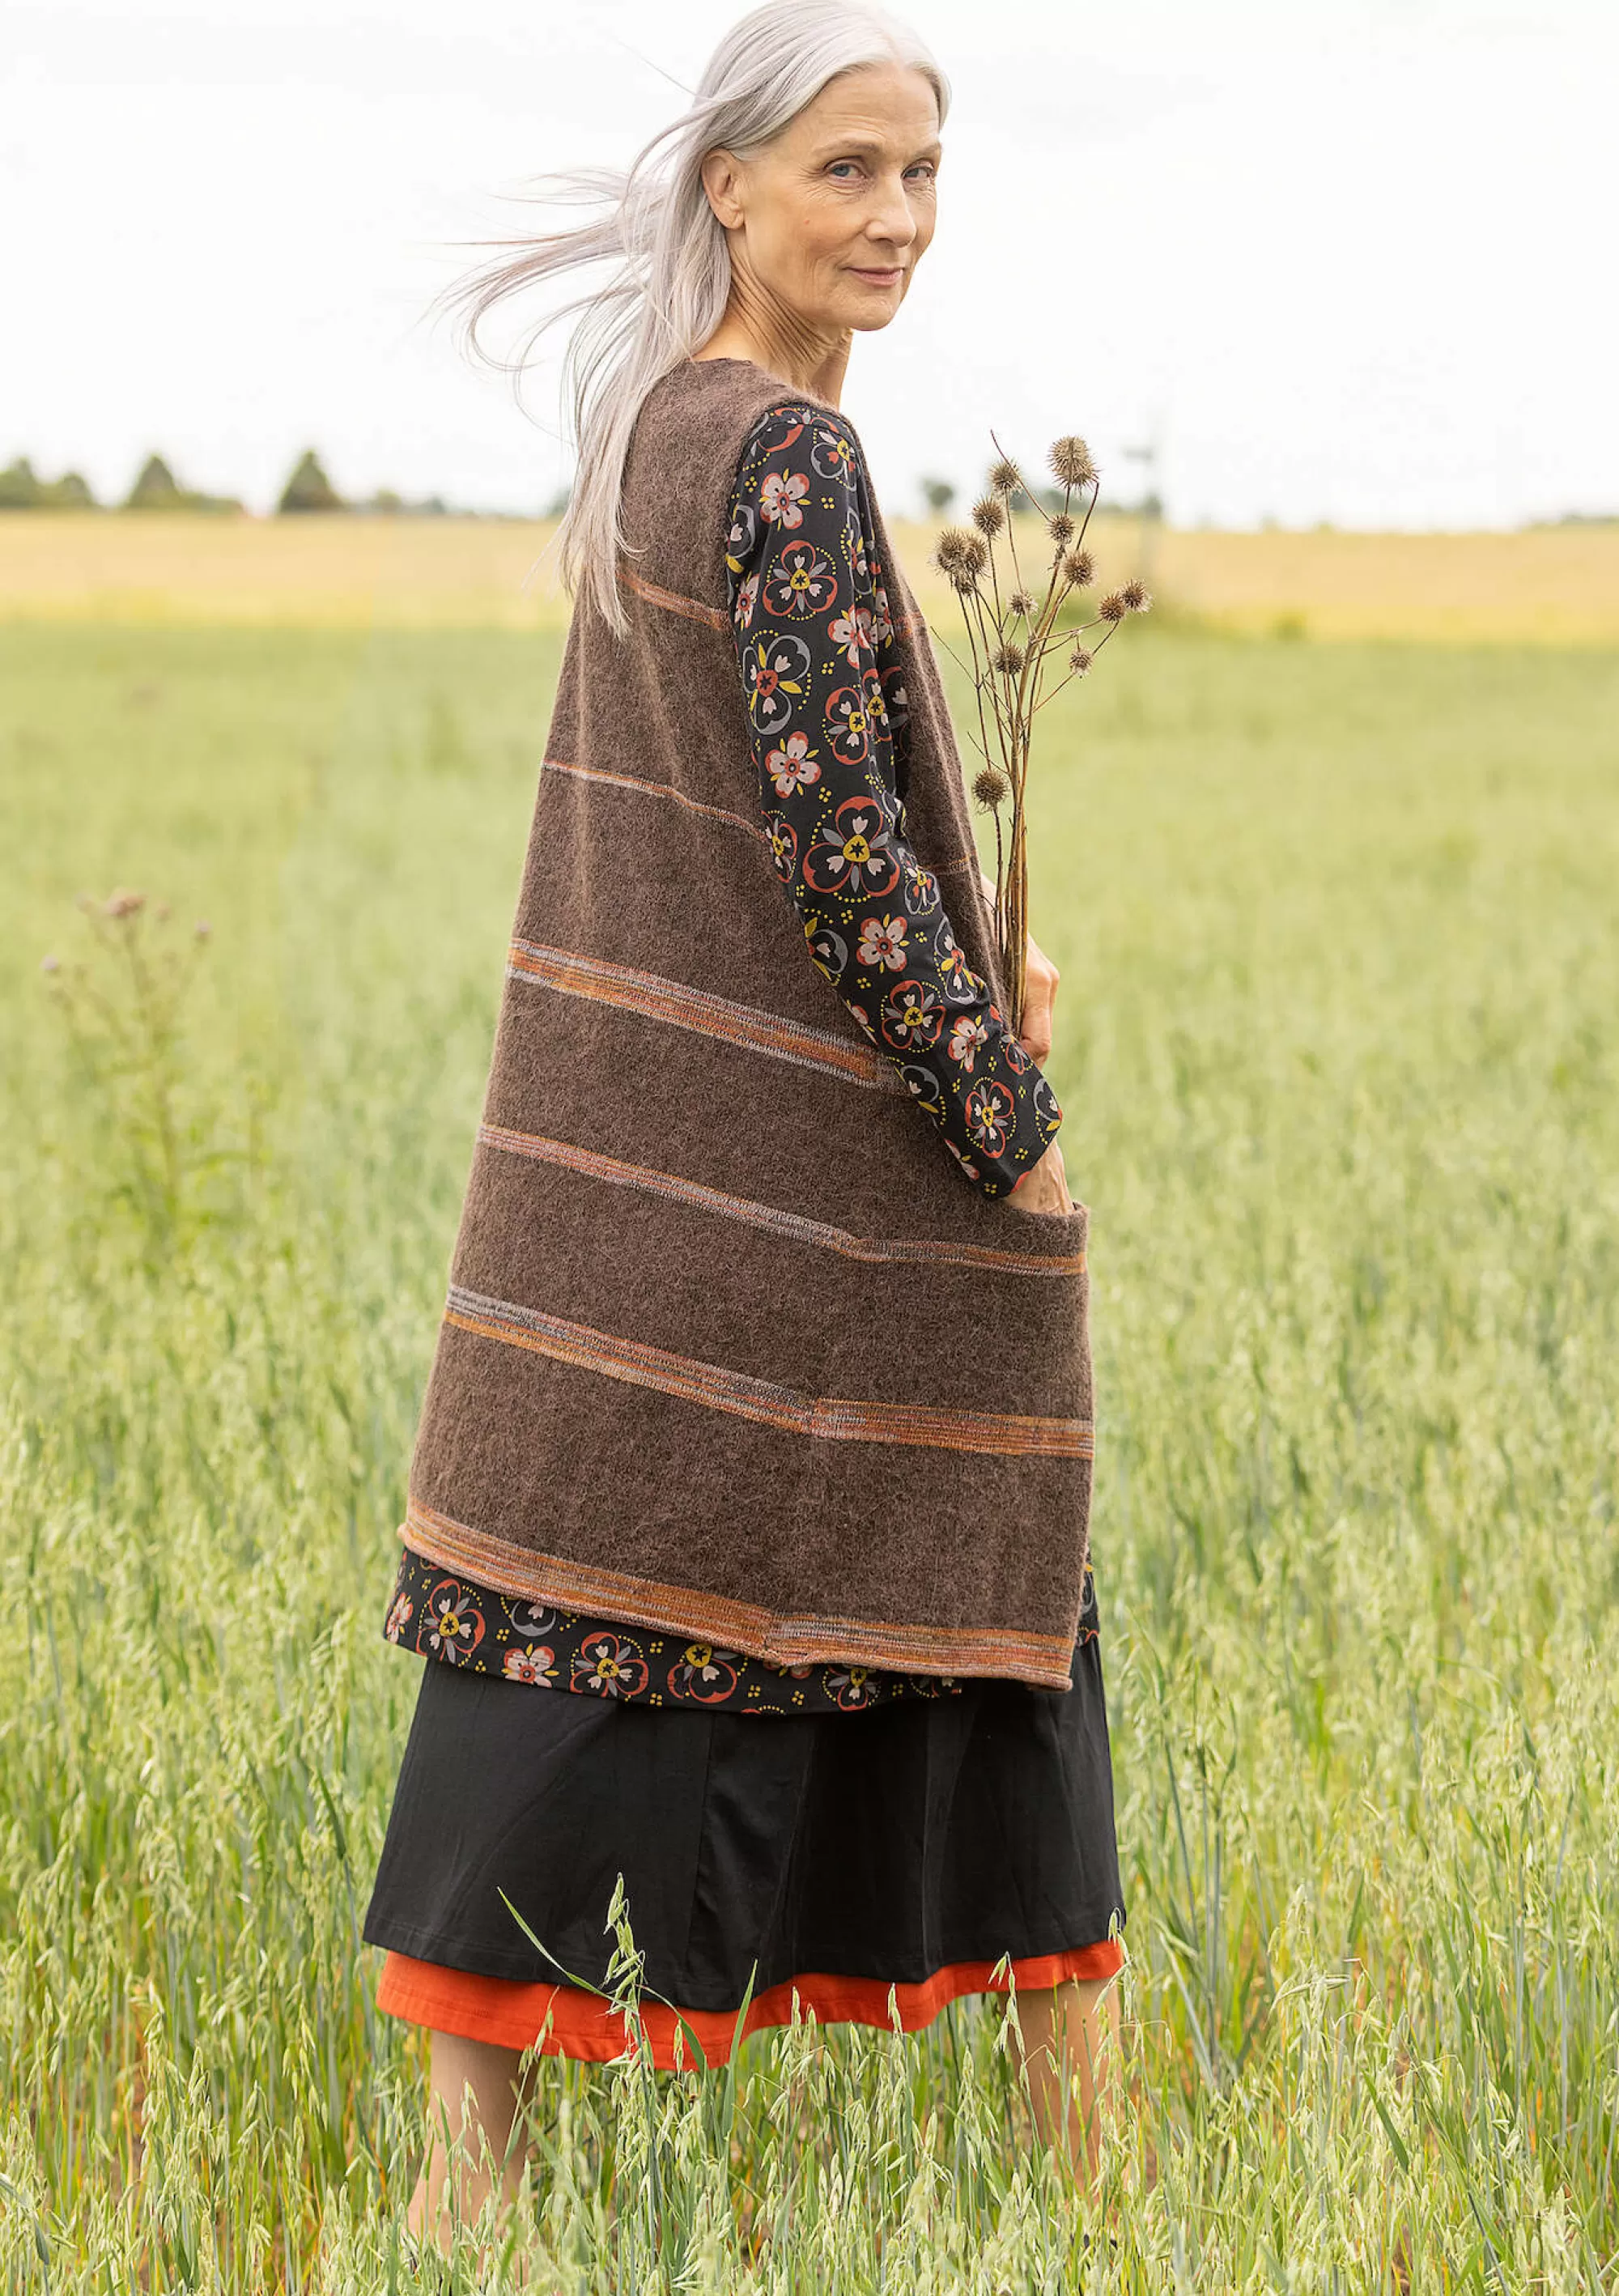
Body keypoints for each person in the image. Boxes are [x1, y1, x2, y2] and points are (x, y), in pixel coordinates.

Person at [361, 0, 1127, 2255]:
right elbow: (828, 843)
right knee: (1009, 1603)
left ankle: (460, 2198)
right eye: (847, 172)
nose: (893, 217)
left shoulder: (651, 429)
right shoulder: (785, 457)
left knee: (556, 1649)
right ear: (731, 186)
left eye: (922, 174)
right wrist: (1011, 1115)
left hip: (636, 1220)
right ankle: (1104, 2195)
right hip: (811, 1212)